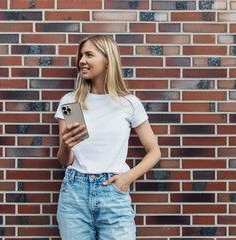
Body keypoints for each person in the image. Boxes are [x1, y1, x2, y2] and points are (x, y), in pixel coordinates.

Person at [54, 34, 161, 240]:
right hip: (74, 194)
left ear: (107, 59)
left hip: (113, 193)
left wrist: (127, 178)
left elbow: (154, 151)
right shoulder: (72, 102)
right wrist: (66, 147)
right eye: (81, 55)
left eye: (89, 55)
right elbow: (64, 160)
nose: (82, 61)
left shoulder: (128, 103)